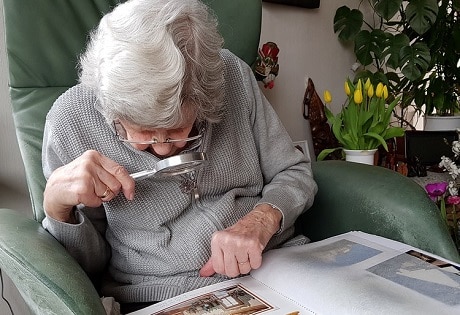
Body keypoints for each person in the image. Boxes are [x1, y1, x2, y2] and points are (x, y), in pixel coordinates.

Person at [41, 0, 317, 312]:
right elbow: (86, 266)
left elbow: (294, 172)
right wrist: (57, 207)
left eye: (177, 131)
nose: (160, 149)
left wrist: (263, 219)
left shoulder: (233, 78)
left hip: (277, 266)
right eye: (142, 133)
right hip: (162, 294)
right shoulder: (71, 121)